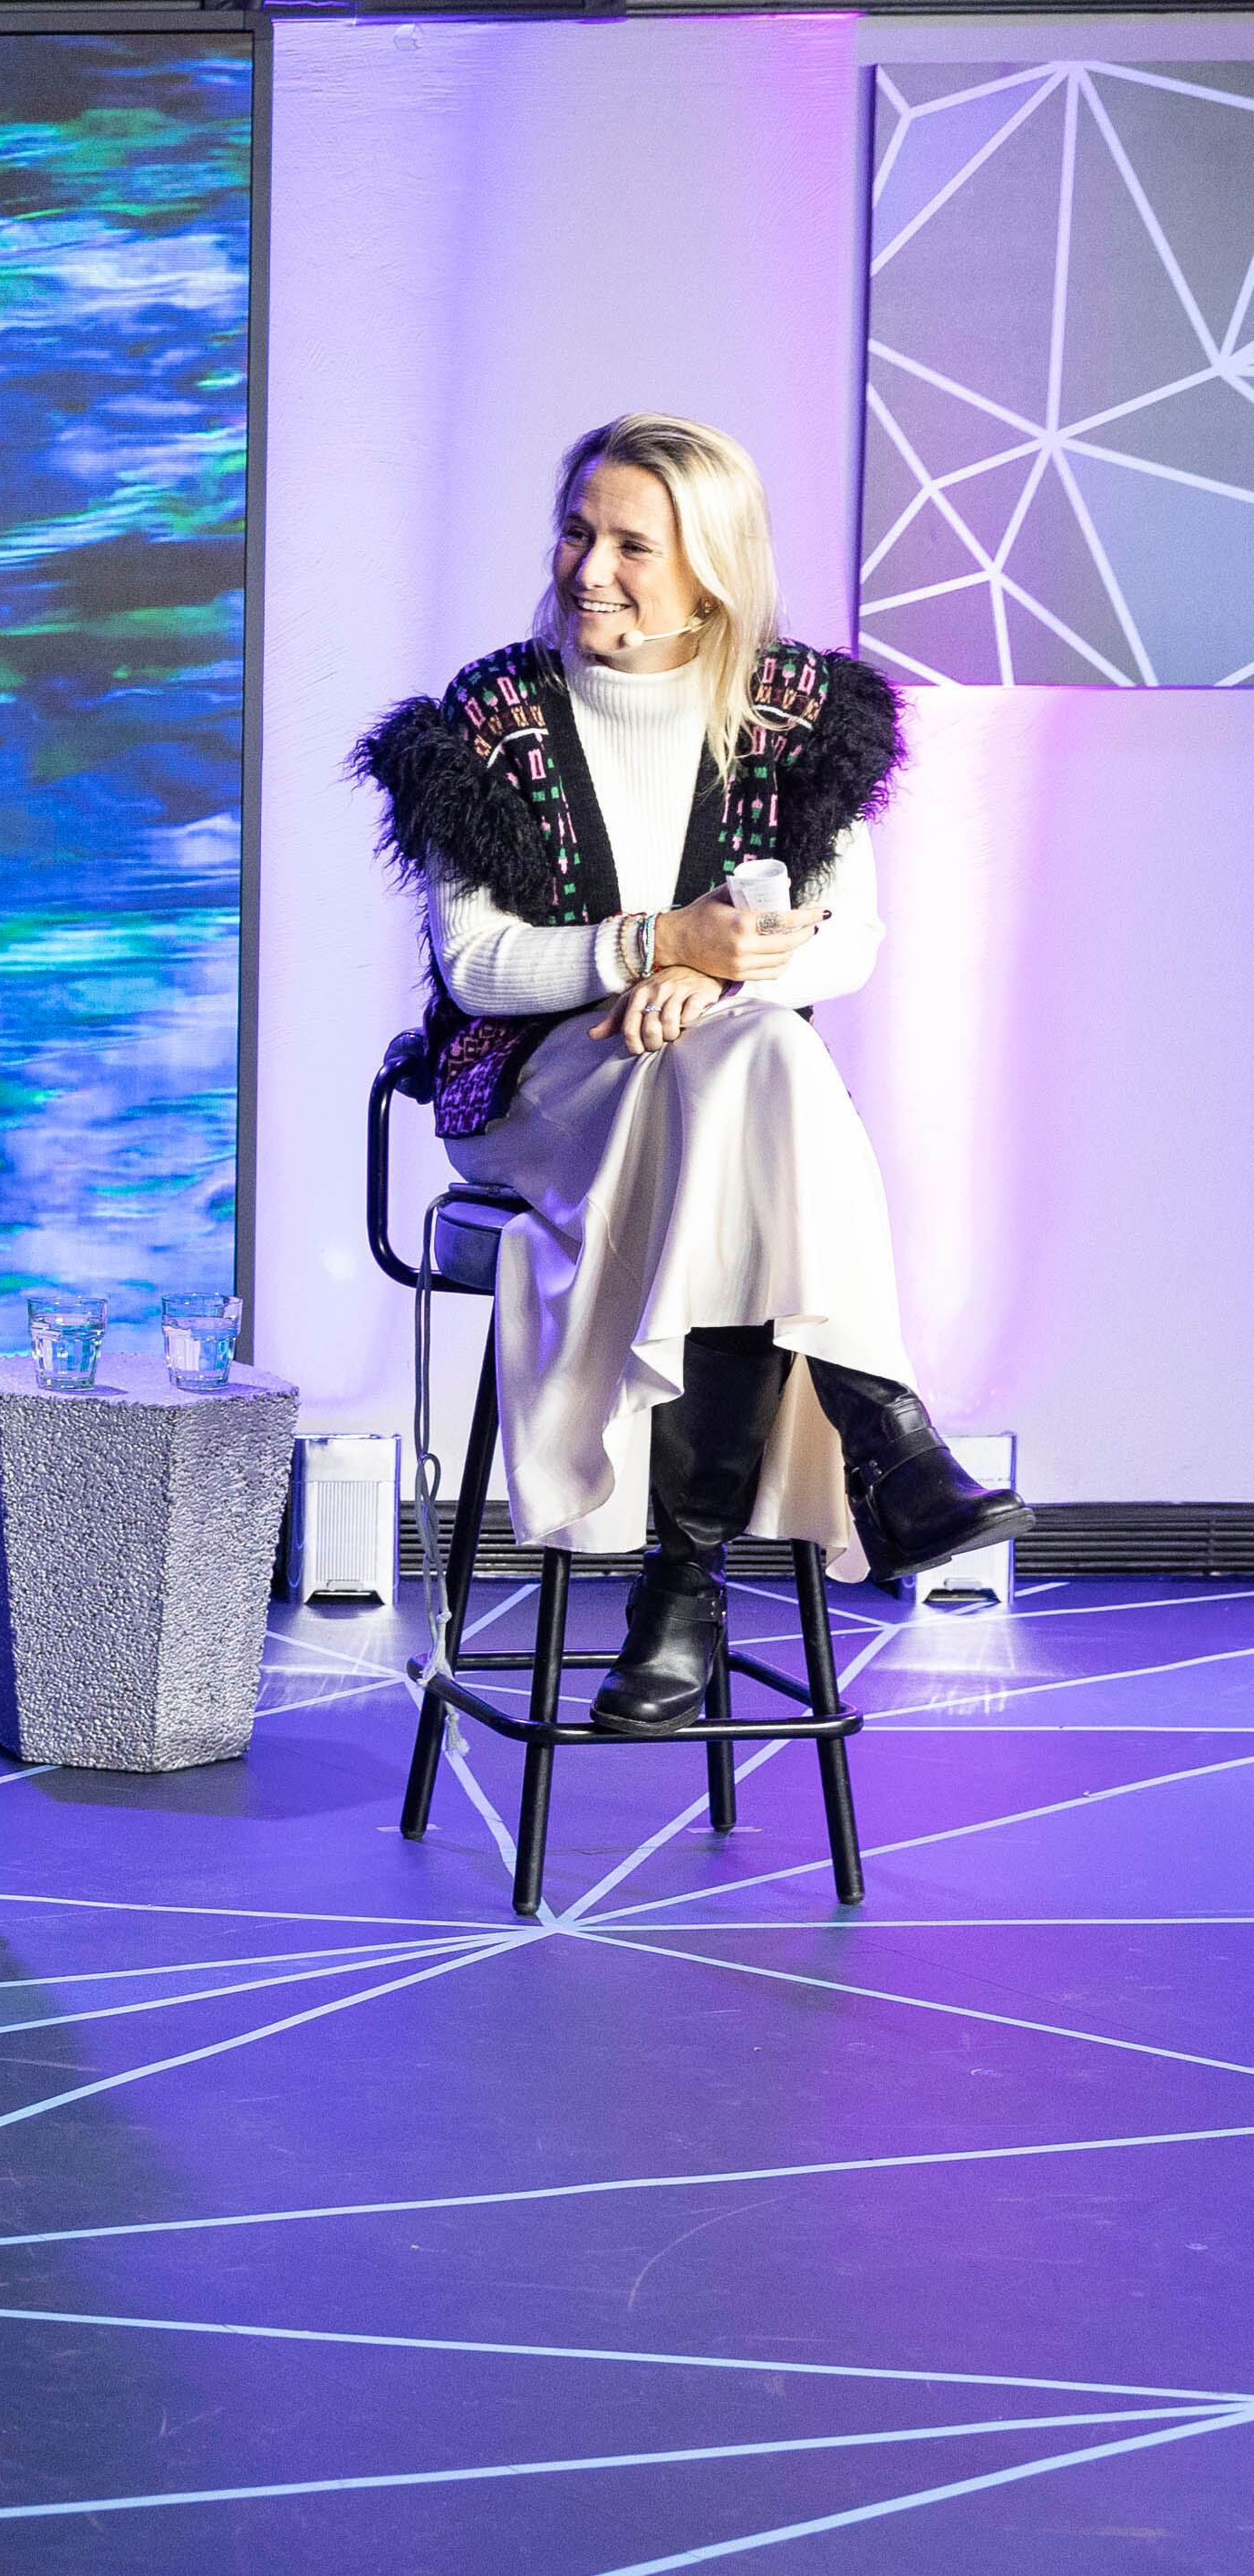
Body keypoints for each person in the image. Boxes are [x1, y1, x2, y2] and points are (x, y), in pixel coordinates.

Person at [356, 411, 1031, 1734]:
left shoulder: (799, 717)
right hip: (535, 1092)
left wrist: (718, 979)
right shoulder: (483, 720)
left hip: (714, 1092)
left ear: (710, 566)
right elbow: (478, 965)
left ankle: (682, 1582)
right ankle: (877, 1442)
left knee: (744, 1067)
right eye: (573, 532)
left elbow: (849, 941)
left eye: (628, 545)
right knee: (751, 1085)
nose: (585, 569)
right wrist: (656, 943)